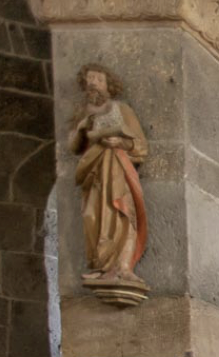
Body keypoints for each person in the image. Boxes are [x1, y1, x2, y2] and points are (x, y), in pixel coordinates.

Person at [69, 63, 148, 285]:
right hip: (93, 172)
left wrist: (120, 142)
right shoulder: (83, 114)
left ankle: (123, 267)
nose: (93, 84)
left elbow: (140, 146)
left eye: (99, 79)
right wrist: (82, 128)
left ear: (108, 85)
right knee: (92, 216)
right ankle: (101, 267)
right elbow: (73, 147)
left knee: (121, 212)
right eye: (90, 79)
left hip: (118, 169)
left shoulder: (121, 109)